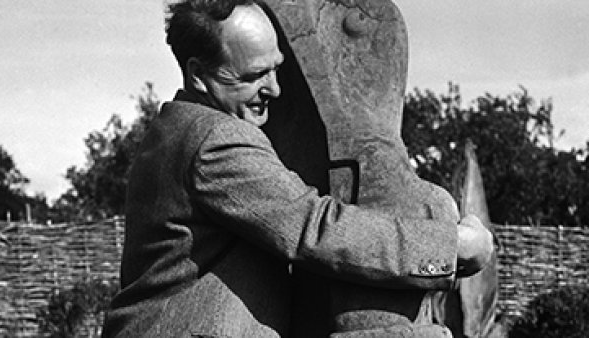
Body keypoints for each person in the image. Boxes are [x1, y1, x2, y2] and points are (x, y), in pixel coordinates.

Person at [100, 0, 495, 337]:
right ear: (199, 75)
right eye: (253, 76)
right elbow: (314, 229)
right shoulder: (215, 140)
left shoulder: (175, 128)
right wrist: (450, 246)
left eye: (276, 68)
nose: (274, 88)